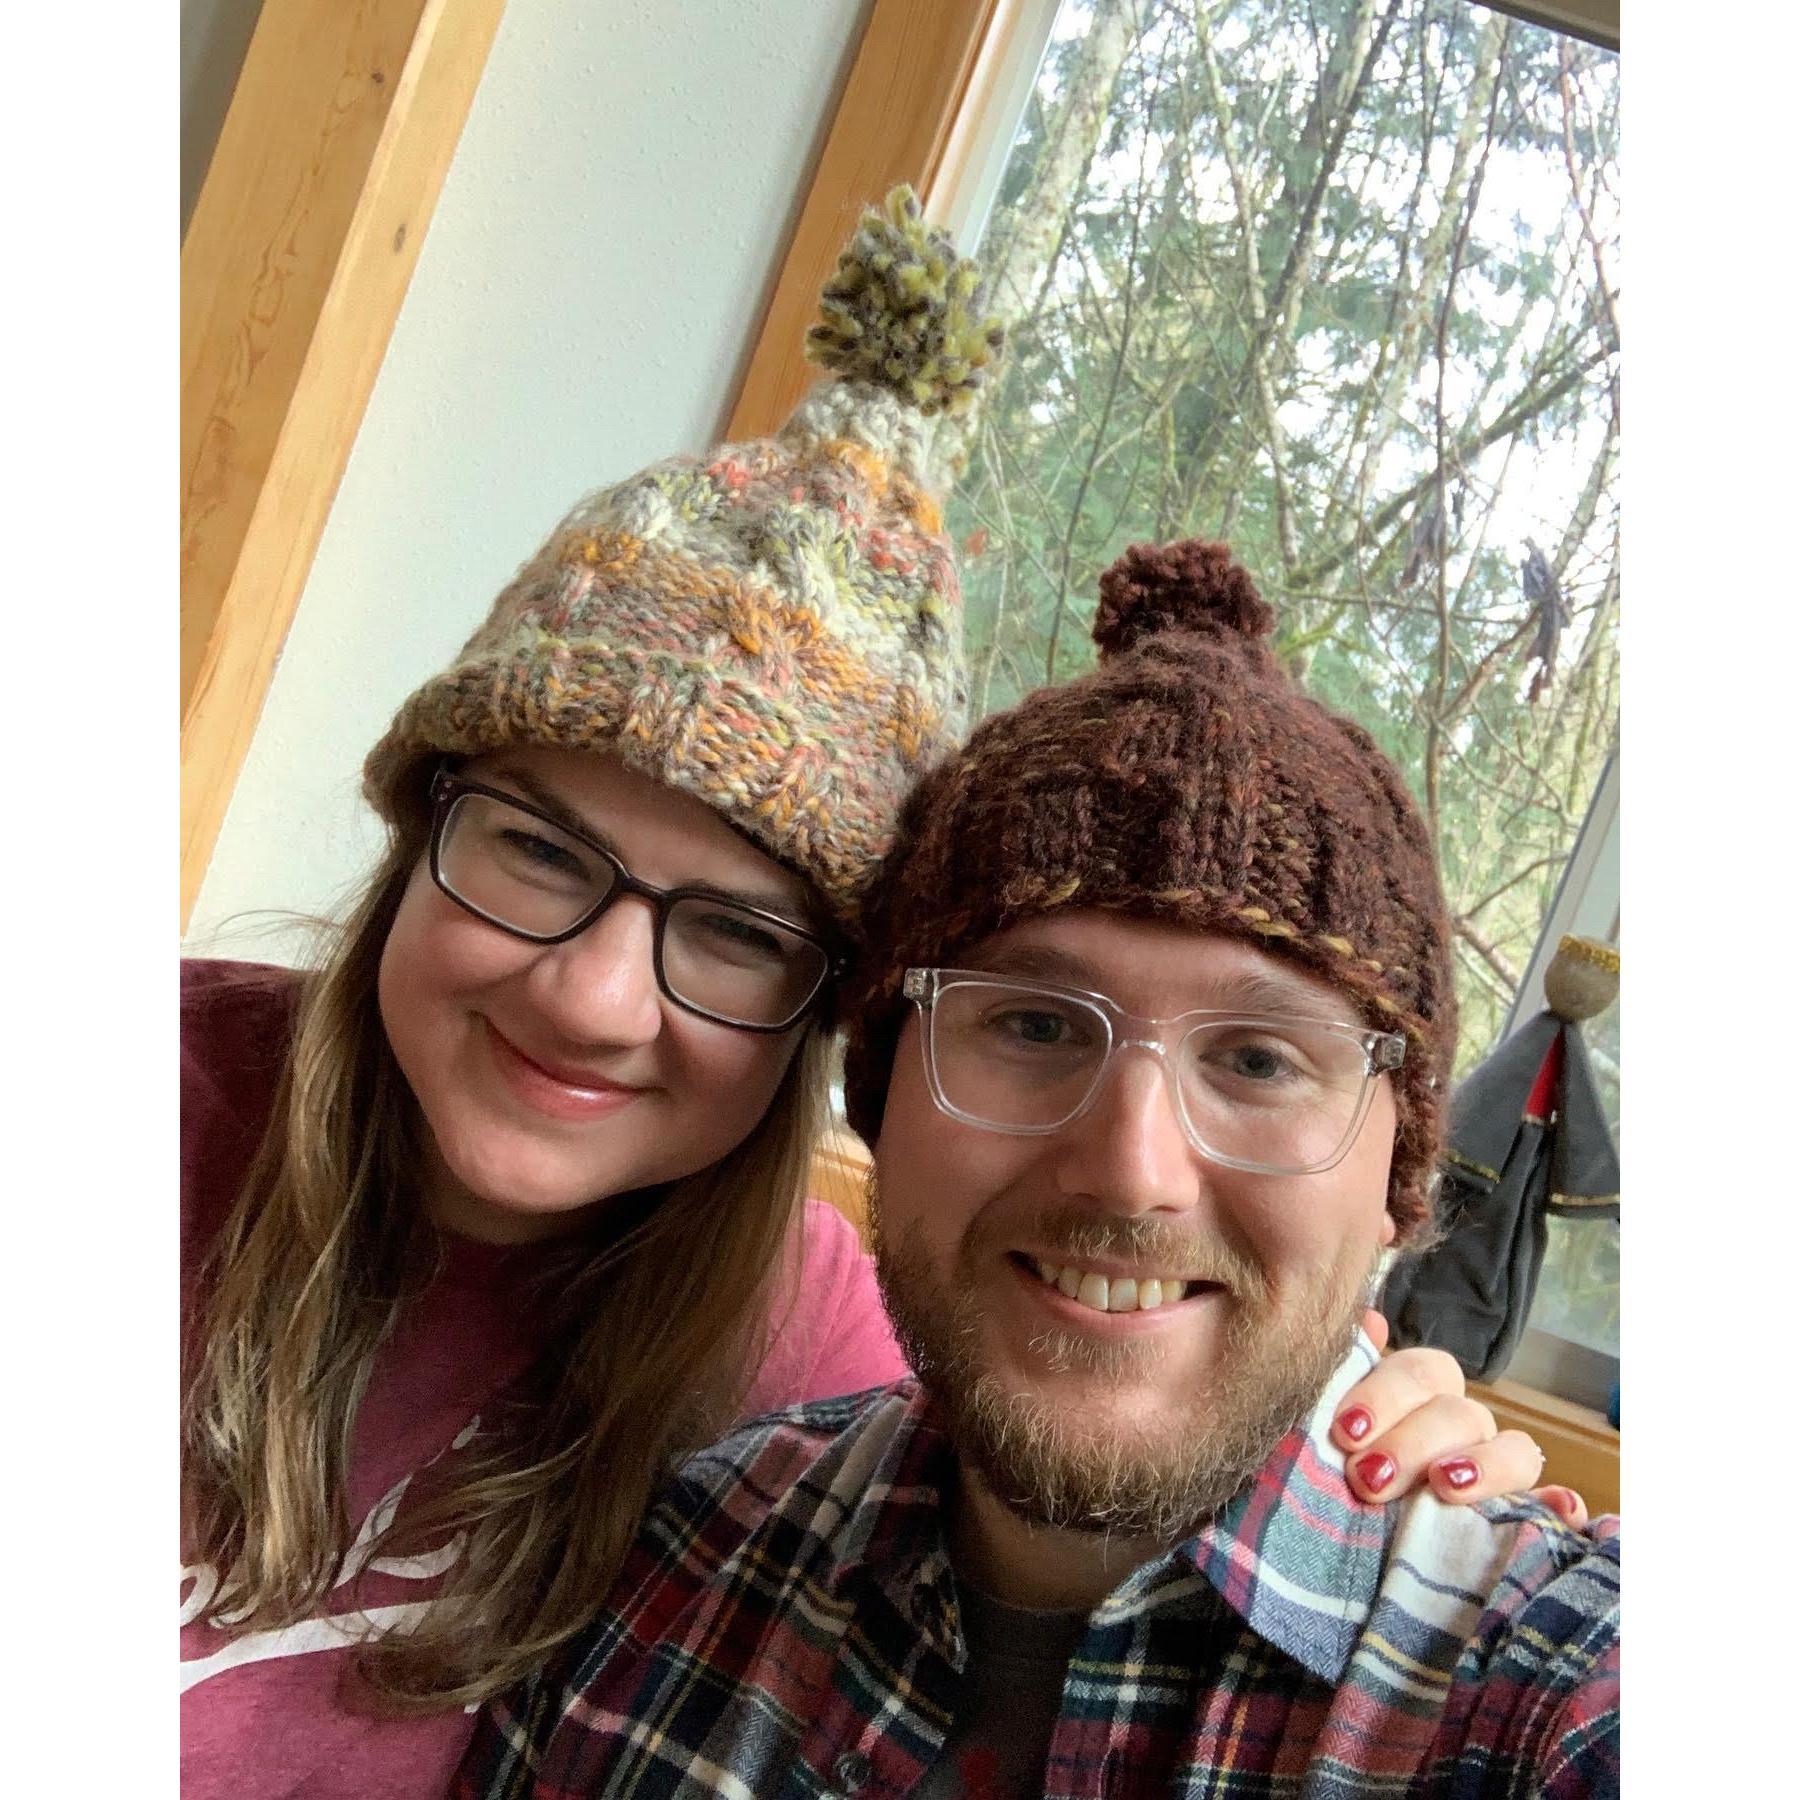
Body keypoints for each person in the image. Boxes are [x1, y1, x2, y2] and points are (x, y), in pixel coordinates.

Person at [179, 197, 1534, 1799]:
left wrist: (1366, 1421)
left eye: (739, 935)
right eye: (539, 852)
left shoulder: (816, 1350)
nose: (601, 996)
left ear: (835, 1019)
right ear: (420, 823)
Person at [455, 540, 1619, 1798]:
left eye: (1262, 1060)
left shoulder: (1560, 1692)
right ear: (886, 1091)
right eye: (1034, 1025)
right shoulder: (663, 1570)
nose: (1130, 1172)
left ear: (1398, 1164)